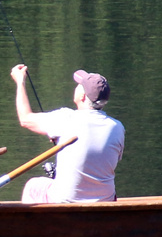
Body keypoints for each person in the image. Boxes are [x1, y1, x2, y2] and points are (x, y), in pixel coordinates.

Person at [11, 64, 125, 203]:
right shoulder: (117, 127)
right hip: (105, 200)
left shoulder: (65, 118)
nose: (75, 86)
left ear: (82, 96)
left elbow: (25, 119)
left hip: (66, 199)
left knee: (33, 186)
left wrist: (20, 82)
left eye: (79, 85)